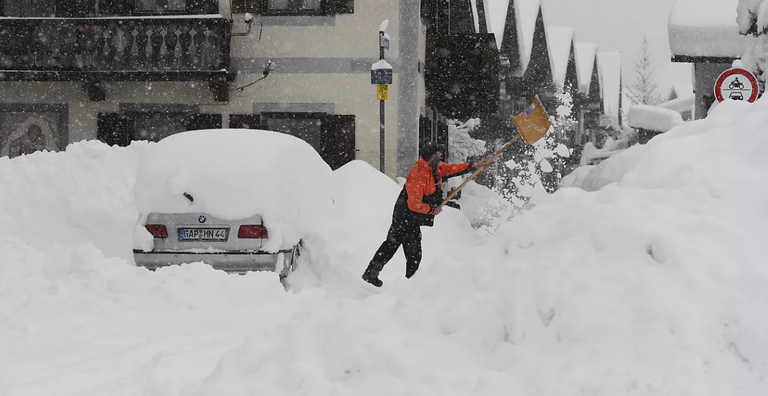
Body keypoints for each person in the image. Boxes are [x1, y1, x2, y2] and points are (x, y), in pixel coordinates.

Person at [361, 143, 478, 287]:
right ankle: (410, 284)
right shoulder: (418, 174)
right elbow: (414, 204)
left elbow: (451, 169)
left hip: (409, 214)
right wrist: (431, 210)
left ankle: (371, 273)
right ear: (433, 156)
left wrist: (473, 166)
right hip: (406, 214)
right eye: (439, 153)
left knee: (392, 244)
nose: (442, 156)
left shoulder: (434, 167)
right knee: (413, 253)